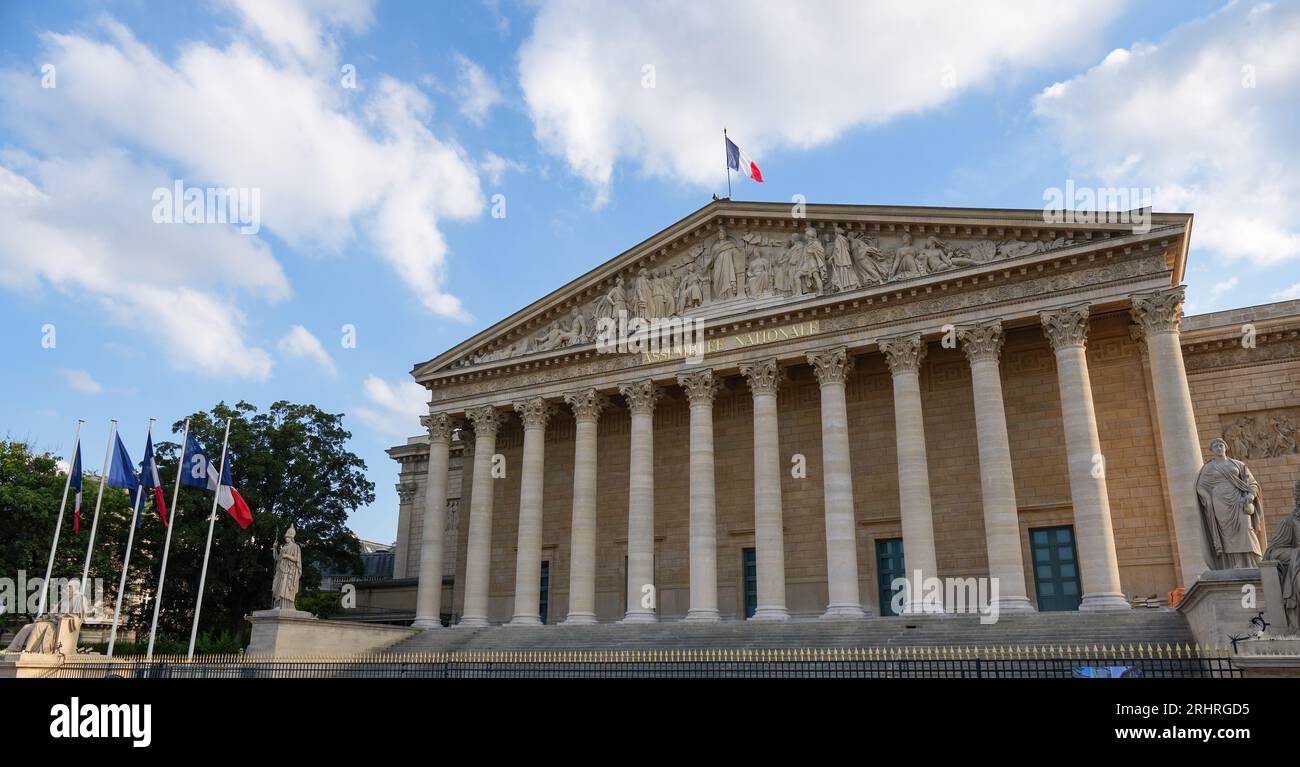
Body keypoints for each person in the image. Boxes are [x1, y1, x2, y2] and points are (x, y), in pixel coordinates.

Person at [1196, 438, 1265, 569]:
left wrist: (1251, 495)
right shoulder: (1208, 467)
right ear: (1211, 450)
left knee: (1246, 527)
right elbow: (1200, 486)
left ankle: (1256, 558)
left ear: (1225, 447)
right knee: (1228, 533)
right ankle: (1237, 561)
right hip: (1220, 502)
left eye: (1220, 445)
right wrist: (1208, 499)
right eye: (1215, 446)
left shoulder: (1238, 464)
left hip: (1239, 499)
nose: (1218, 447)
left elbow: (1252, 482)